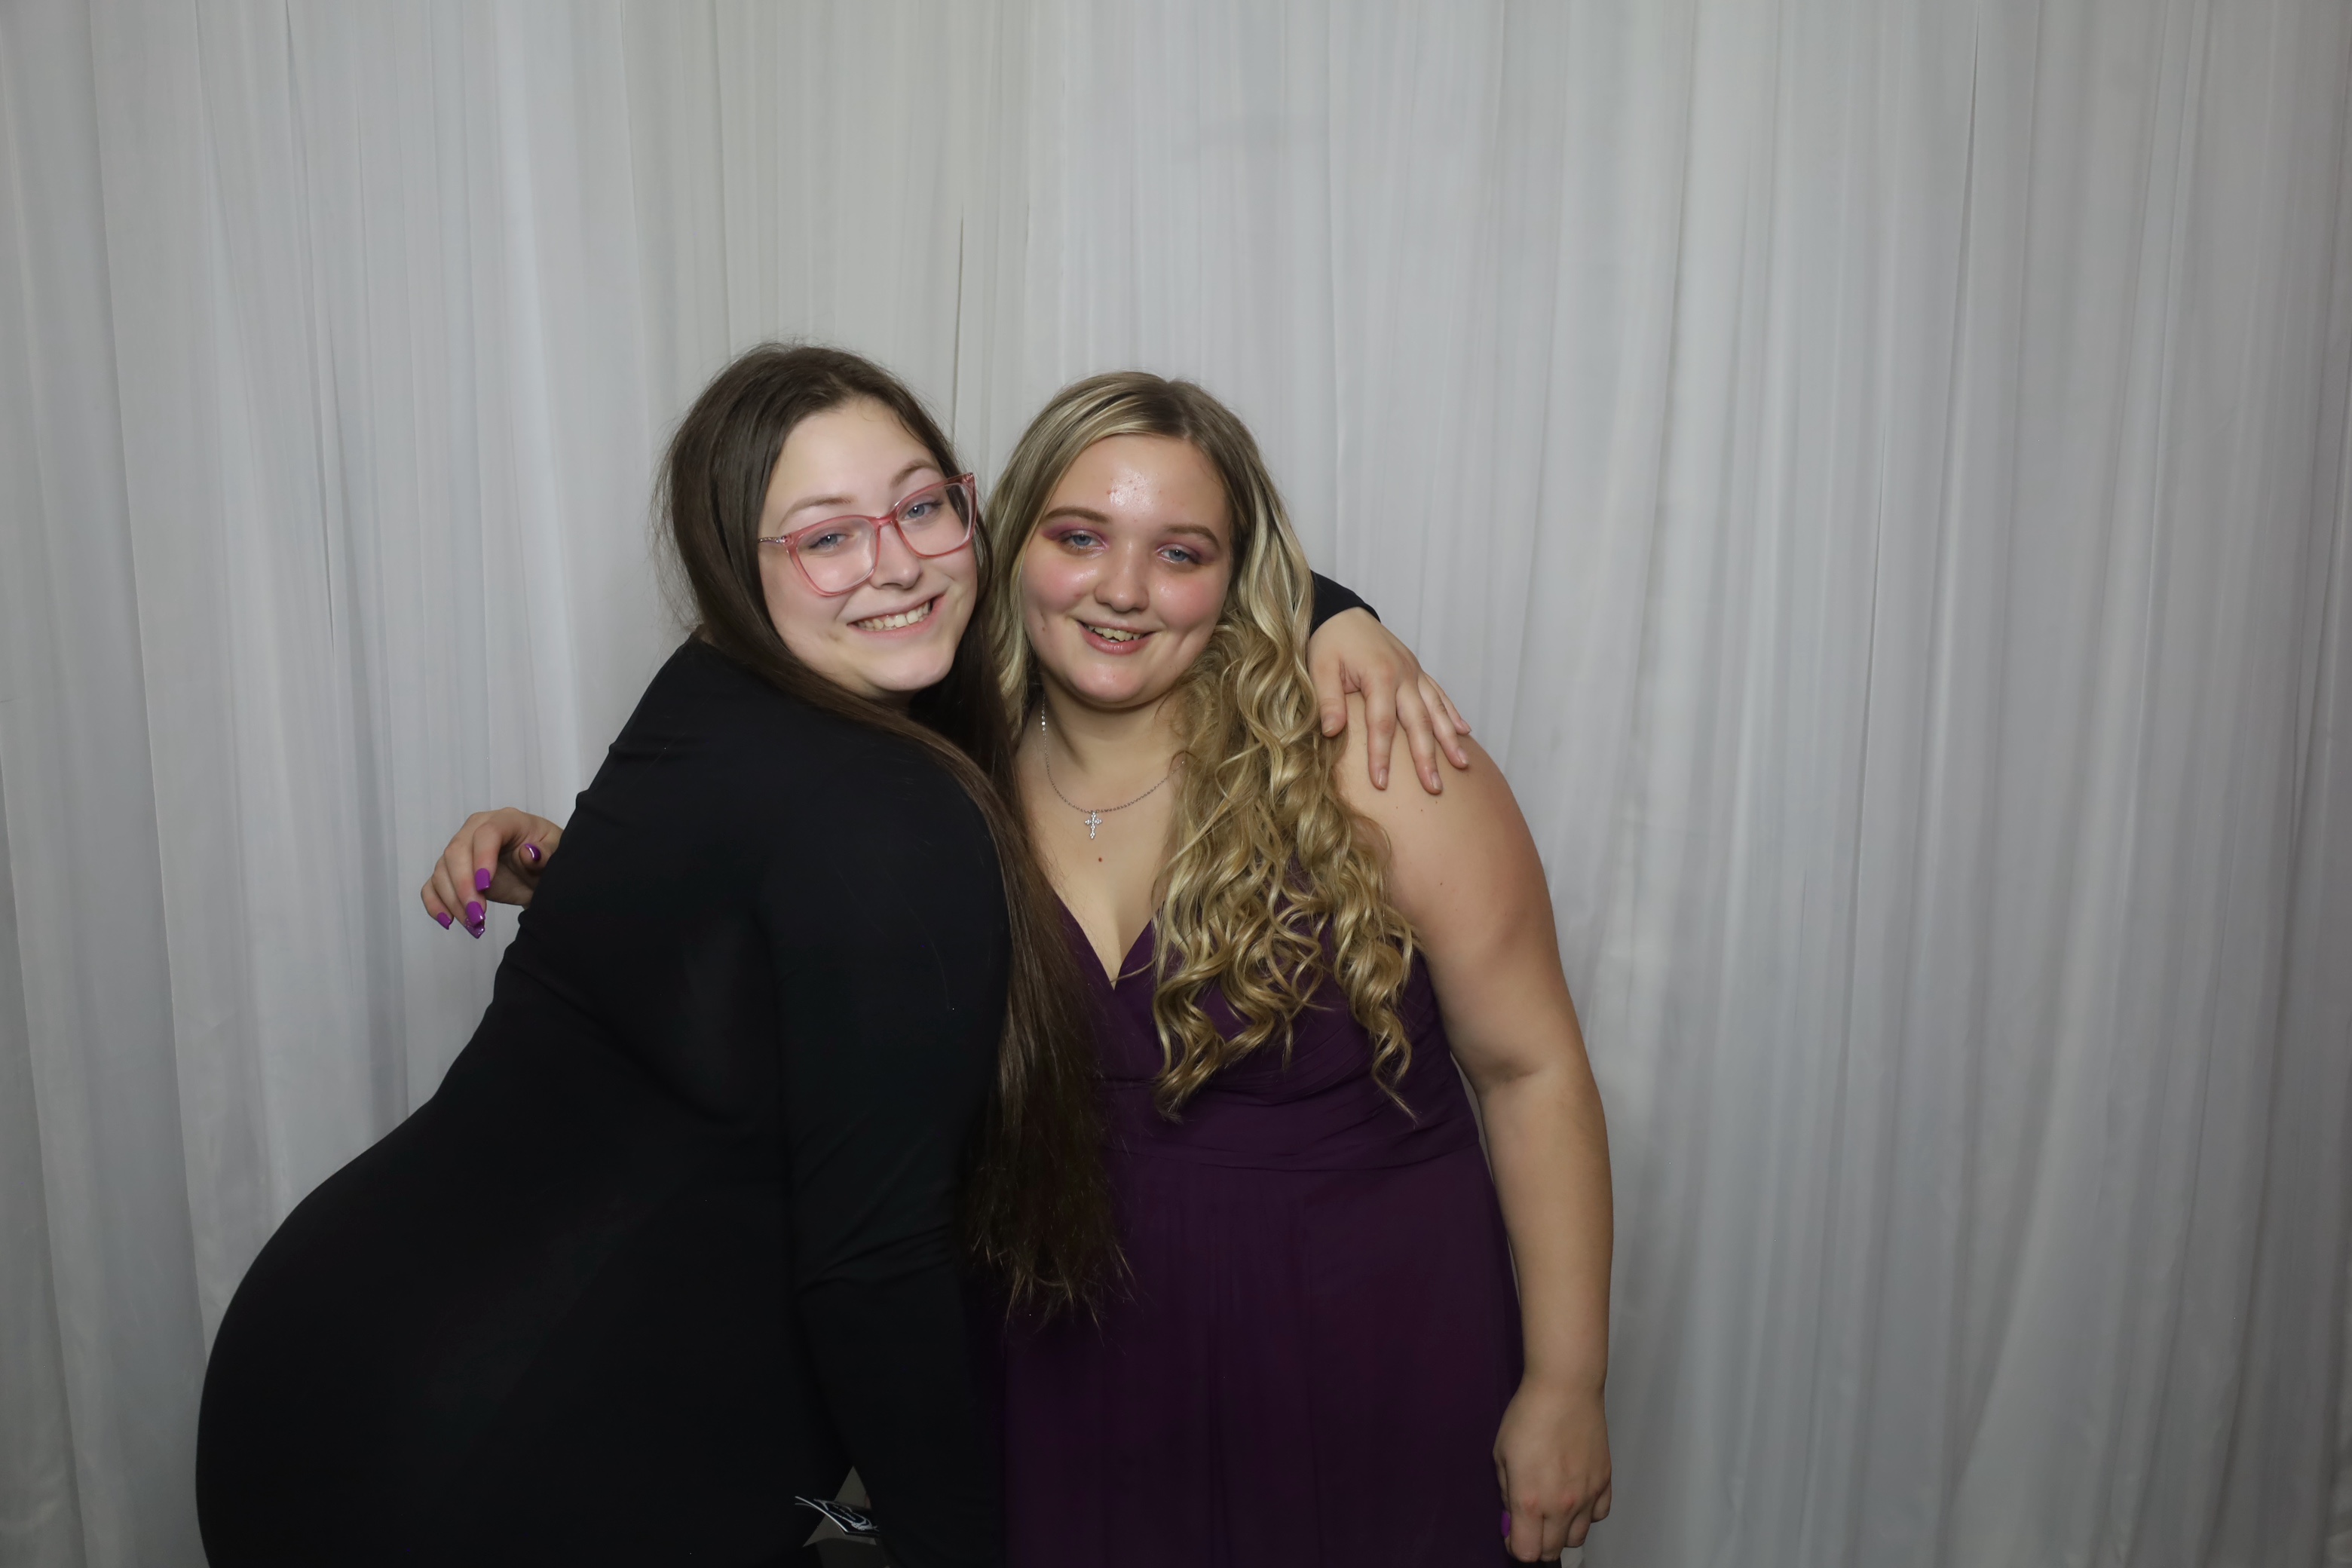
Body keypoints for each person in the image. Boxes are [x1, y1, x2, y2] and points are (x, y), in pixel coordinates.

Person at [201, 344, 1462, 1568]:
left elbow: (1112, 573)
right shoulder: (887, 814)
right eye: (825, 536)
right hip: (493, 1459)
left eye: (922, 507)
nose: (896, 564)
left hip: (321, 1358)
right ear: (735, 568)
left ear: (973, 511)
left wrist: (1328, 615)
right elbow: (876, 1269)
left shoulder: (707, 690)